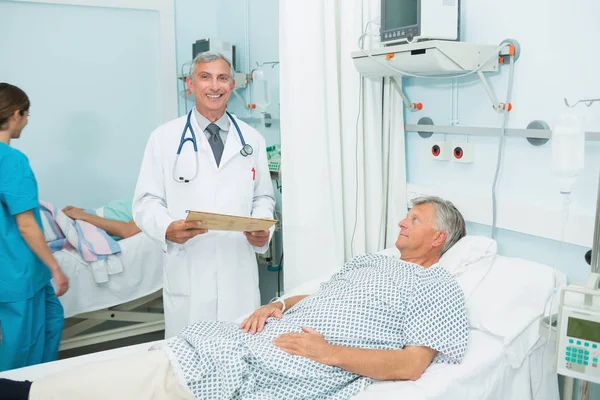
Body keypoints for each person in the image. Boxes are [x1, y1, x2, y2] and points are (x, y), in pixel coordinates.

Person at [0, 196, 469, 400]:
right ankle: (35, 391)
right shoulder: (373, 261)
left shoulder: (436, 286)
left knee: (164, 376)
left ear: (438, 239)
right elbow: (323, 292)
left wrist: (328, 353)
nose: (403, 222)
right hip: (270, 334)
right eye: (406, 214)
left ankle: (31, 393)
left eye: (415, 219)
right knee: (165, 361)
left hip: (300, 361)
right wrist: (281, 304)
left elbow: (411, 365)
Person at [132, 52, 275, 337]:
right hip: (190, 266)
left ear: (232, 85)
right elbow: (147, 201)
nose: (214, 86)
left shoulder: (252, 139)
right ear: (190, 84)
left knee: (240, 354)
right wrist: (166, 228)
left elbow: (263, 198)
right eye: (205, 77)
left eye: (222, 78)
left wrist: (262, 228)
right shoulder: (164, 138)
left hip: (238, 270)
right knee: (189, 360)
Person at [0, 83, 69, 372]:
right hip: (19, 275)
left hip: (25, 275)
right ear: (17, 114)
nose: (26, 122)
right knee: (20, 357)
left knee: (52, 320)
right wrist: (55, 267)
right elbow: (26, 223)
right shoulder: (12, 160)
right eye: (26, 115)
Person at [61, 199, 141, 241]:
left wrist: (84, 215)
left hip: (90, 224)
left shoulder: (152, 207)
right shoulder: (146, 196)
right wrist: (82, 212)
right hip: (90, 216)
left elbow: (128, 231)